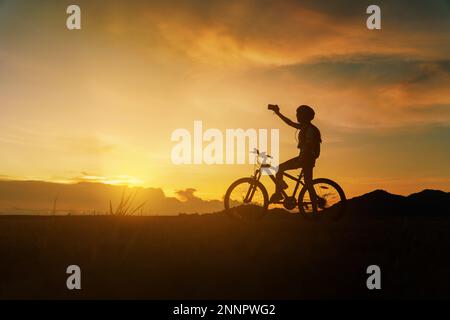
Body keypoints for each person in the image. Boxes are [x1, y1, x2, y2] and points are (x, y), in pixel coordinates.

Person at [269, 104, 321, 213]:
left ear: (304, 116)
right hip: (305, 159)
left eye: (299, 114)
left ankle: (279, 193)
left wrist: (303, 158)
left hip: (305, 159)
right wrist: (278, 113)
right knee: (308, 183)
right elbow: (289, 123)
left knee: (280, 169)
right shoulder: (305, 127)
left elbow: (309, 145)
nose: (297, 116)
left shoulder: (310, 129)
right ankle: (280, 191)